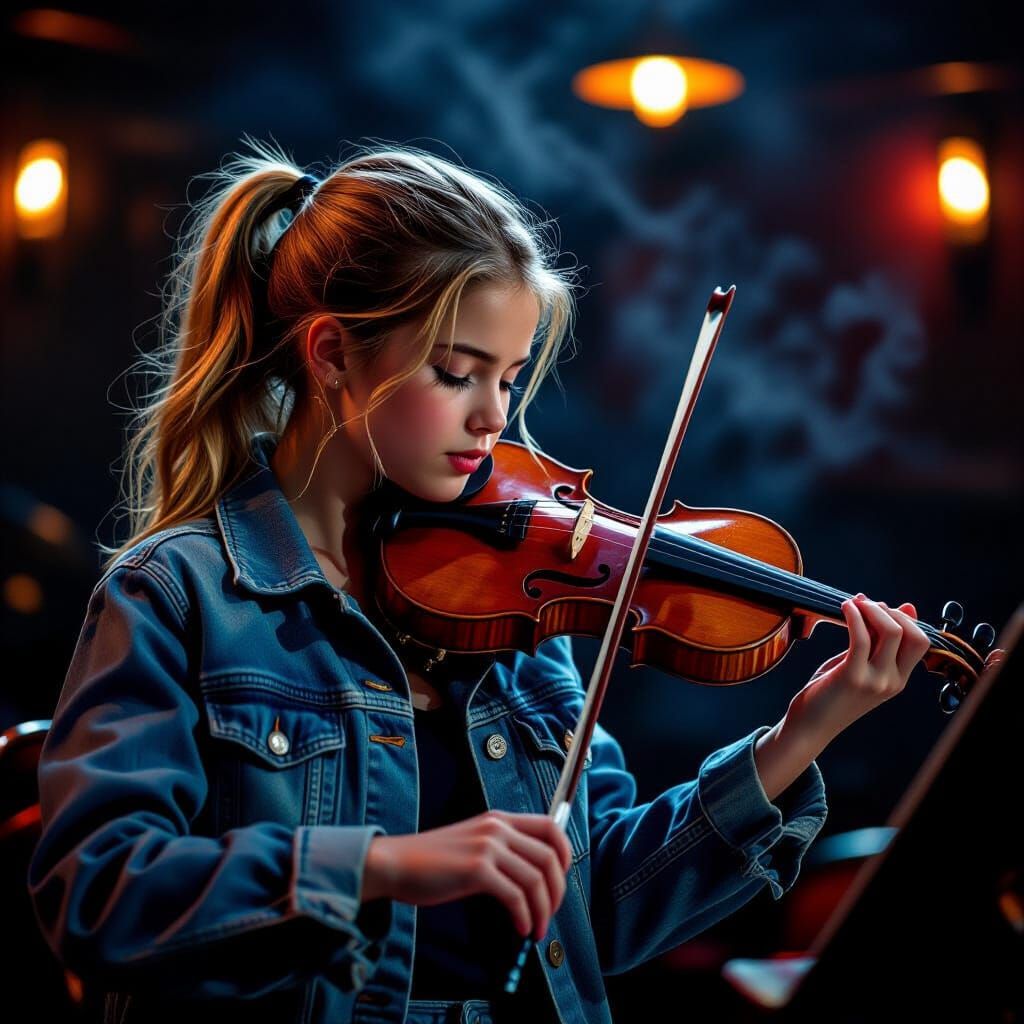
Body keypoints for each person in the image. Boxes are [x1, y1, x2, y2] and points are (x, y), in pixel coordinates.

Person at [27, 139, 931, 1024]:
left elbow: (594, 912)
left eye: (508, 376)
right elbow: (100, 894)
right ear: (334, 353)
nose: (494, 417)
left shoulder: (512, 602)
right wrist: (386, 866)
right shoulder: (180, 593)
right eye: (456, 373)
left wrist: (799, 737)